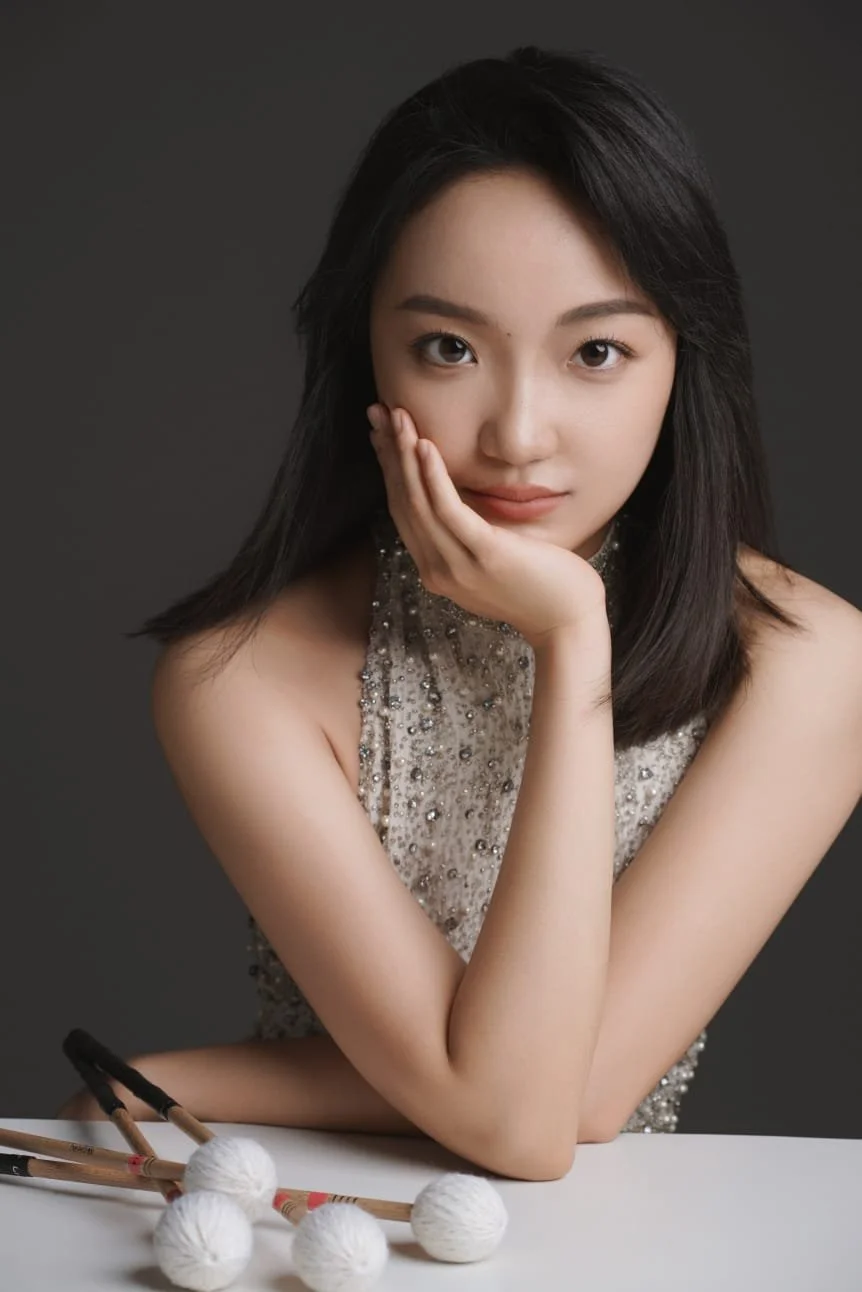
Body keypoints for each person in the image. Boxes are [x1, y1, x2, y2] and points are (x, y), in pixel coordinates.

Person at [56, 46, 862, 1181]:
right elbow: (520, 1104)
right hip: (330, 1224)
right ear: (366, 355)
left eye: (595, 351)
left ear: (684, 360)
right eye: (448, 347)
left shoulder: (808, 659)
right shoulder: (238, 677)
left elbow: (544, 1107)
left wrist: (567, 634)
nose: (517, 432)